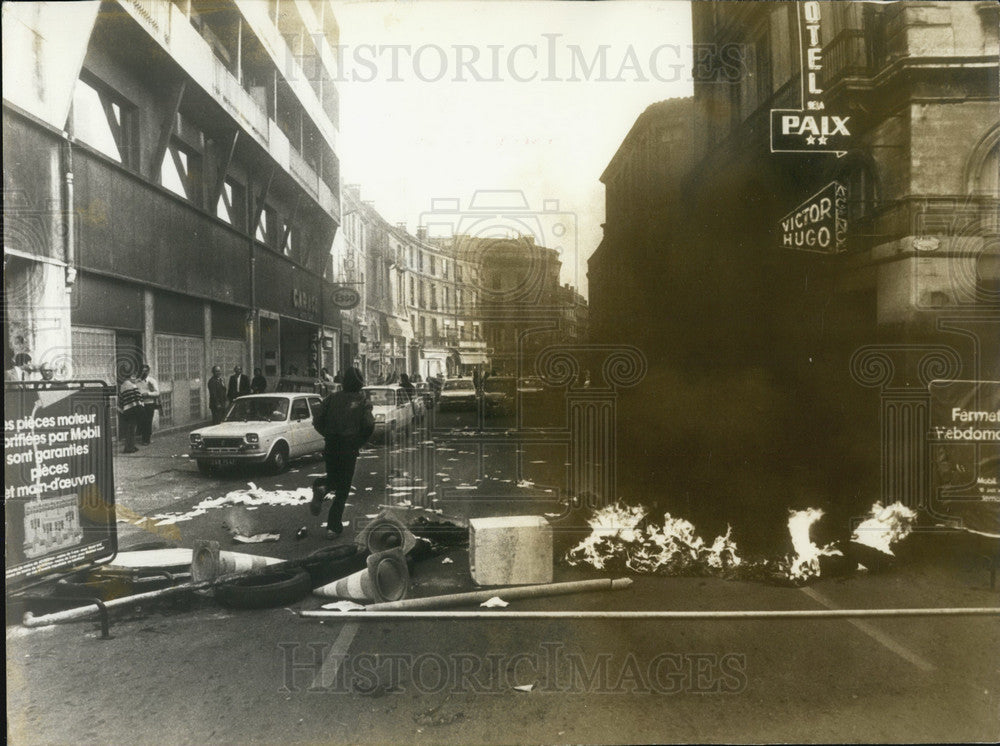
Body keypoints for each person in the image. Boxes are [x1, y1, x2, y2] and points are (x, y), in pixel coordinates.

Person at [309, 367, 375, 538]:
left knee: (333, 477)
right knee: (343, 488)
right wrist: (359, 441)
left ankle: (321, 486)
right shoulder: (362, 401)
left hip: (331, 444)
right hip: (349, 446)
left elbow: (317, 419)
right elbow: (368, 425)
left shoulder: (332, 398)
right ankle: (333, 527)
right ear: (359, 385)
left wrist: (328, 434)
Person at [118, 374, 143, 453]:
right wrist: (141, 407)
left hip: (126, 410)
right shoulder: (132, 386)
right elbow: (138, 398)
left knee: (128, 429)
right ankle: (129, 448)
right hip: (133, 410)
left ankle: (129, 446)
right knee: (132, 429)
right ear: (129, 378)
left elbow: (121, 399)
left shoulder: (122, 386)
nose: (134, 379)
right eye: (133, 377)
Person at [135, 364, 159, 445]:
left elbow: (157, 393)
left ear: (148, 372)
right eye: (142, 371)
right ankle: (143, 438)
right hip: (140, 404)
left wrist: (148, 394)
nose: (143, 373)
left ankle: (146, 440)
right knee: (142, 421)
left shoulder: (152, 381)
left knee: (148, 421)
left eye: (145, 371)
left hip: (149, 403)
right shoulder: (137, 381)